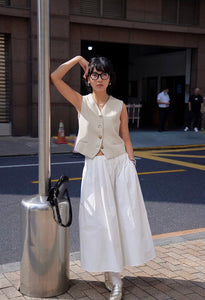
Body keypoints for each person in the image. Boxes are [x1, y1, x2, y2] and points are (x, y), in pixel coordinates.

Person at [51, 56, 156, 300]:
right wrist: (78, 60)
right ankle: (110, 272)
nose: (99, 79)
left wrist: (131, 164)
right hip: (95, 168)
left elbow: (126, 137)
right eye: (95, 74)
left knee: (122, 220)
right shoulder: (81, 101)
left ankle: (116, 278)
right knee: (101, 221)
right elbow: (55, 77)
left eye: (104, 74)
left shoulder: (119, 105)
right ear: (88, 78)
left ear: (110, 79)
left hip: (119, 165)